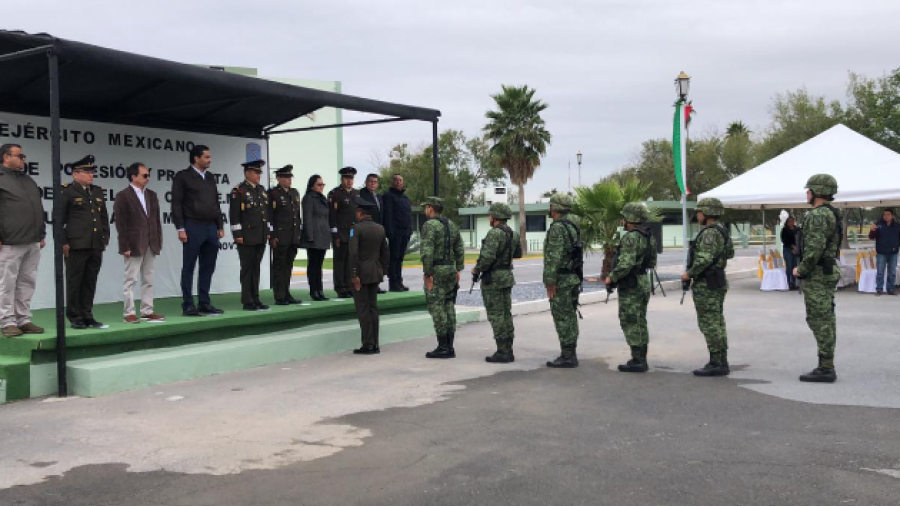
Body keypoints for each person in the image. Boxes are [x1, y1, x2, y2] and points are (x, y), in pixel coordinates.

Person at [793, 174, 842, 383]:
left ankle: (825, 367)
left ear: (817, 192)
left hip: (818, 274)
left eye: (809, 190)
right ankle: (826, 363)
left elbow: (814, 249)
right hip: (827, 271)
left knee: (819, 319)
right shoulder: (832, 213)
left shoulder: (818, 215)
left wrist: (801, 270)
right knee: (826, 318)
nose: (807, 193)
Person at [682, 198, 734, 377]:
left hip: (707, 282)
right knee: (717, 321)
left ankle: (717, 363)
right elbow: (730, 253)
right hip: (717, 279)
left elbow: (703, 259)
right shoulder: (723, 231)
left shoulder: (710, 233)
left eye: (699, 212)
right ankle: (720, 360)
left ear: (706, 213)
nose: (697, 215)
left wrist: (689, 273)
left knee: (710, 323)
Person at [172, 145, 225, 316]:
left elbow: (215, 202)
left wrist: (220, 225)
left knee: (207, 266)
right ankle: (188, 304)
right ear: (196, 158)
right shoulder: (183, 176)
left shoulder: (209, 177)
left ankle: (204, 302)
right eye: (206, 157)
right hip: (192, 225)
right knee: (189, 266)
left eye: (210, 157)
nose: (210, 160)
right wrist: (181, 228)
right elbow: (176, 204)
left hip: (211, 227)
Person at [0, 143, 46, 338]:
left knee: (27, 282)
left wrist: (41, 233)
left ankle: (23, 319)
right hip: (10, 241)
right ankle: (7, 321)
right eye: (20, 156)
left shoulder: (28, 180)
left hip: (32, 240)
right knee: (6, 283)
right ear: (6, 157)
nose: (23, 159)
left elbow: (38, 207)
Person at [605, 202, 657, 372]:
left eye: (625, 217)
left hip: (631, 284)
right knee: (640, 319)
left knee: (630, 320)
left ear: (631, 218)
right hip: (642, 280)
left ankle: (638, 360)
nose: (623, 221)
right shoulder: (649, 236)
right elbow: (652, 261)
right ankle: (641, 357)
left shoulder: (630, 238)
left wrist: (612, 277)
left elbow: (625, 263)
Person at [61, 155, 110, 329]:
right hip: (76, 244)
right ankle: (75, 316)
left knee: (90, 281)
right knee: (75, 281)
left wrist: (105, 237)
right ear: (75, 174)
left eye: (92, 172)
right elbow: (58, 219)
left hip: (95, 243)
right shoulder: (67, 191)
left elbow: (103, 217)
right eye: (87, 172)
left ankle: (87, 314)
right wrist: (63, 242)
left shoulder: (97, 191)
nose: (91, 175)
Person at [114, 162, 165, 324]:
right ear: (133, 176)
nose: (148, 178)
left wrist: (158, 240)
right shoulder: (123, 195)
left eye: (148, 175)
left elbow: (156, 221)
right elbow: (121, 223)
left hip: (151, 242)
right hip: (133, 244)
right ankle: (128, 312)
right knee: (131, 279)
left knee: (148, 279)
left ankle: (147, 310)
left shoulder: (152, 195)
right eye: (144, 175)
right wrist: (124, 246)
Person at [473, 203, 522, 363]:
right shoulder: (513, 234)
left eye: (490, 215)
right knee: (506, 313)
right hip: (506, 276)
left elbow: (487, 257)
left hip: (493, 278)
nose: (489, 218)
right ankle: (508, 349)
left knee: (496, 314)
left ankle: (502, 351)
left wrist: (477, 269)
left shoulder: (494, 233)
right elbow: (518, 254)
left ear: (495, 217)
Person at [421, 197, 464, 359]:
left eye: (426, 207)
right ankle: (450, 346)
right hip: (450, 268)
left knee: (437, 307)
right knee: (448, 306)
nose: (426, 210)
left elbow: (427, 250)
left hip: (437, 270)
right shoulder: (451, 225)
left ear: (431, 208)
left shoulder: (429, 225)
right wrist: (458, 268)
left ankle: (443, 346)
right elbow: (459, 247)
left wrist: (427, 273)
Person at [545, 194, 584, 368]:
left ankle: (568, 356)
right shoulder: (573, 224)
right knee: (569, 316)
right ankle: (570, 352)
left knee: (562, 317)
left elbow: (554, 256)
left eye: (551, 205)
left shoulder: (557, 227)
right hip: (572, 276)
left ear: (556, 208)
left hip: (561, 278)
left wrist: (550, 281)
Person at [348, 197, 389, 355]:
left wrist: (354, 274)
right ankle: (376, 343)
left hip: (361, 274)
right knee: (373, 308)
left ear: (359, 213)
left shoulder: (356, 229)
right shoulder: (380, 228)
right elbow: (385, 252)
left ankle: (368, 344)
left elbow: (353, 253)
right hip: (375, 272)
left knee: (363, 309)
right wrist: (383, 271)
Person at [230, 159, 271, 311]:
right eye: (256, 172)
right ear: (247, 172)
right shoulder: (239, 190)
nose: (258, 175)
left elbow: (265, 214)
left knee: (256, 268)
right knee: (247, 269)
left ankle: (256, 298)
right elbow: (234, 216)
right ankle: (247, 300)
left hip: (260, 236)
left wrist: (267, 232)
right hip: (246, 237)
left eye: (260, 172)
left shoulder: (261, 190)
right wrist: (237, 234)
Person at [269, 165, 304, 305]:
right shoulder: (273, 193)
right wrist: (272, 235)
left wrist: (299, 233)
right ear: (279, 178)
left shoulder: (294, 193)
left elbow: (297, 215)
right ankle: (279, 295)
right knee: (279, 266)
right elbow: (270, 216)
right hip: (280, 236)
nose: (289, 180)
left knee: (288, 266)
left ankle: (287, 292)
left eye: (290, 177)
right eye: (286, 177)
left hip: (293, 236)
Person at [328, 166, 360, 299]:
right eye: (347, 178)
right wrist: (335, 234)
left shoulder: (357, 194)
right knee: (340, 261)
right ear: (342, 179)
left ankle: (348, 286)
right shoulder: (335, 194)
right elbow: (332, 215)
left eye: (351, 178)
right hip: (341, 233)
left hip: (354, 233)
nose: (349, 181)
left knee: (350, 262)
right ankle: (340, 287)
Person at [301, 174, 331, 301]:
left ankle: (320, 290)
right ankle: (314, 290)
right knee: (313, 264)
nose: (321, 187)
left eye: (322, 184)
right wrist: (309, 236)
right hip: (313, 236)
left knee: (319, 264)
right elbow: (307, 218)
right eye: (319, 184)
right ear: (312, 185)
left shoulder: (322, 198)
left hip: (323, 235)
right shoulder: (309, 198)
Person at [382, 174, 412, 292]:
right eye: (396, 180)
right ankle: (393, 283)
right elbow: (388, 215)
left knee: (400, 258)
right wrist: (390, 232)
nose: (398, 182)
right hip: (395, 232)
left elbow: (409, 215)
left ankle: (399, 282)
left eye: (400, 180)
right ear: (392, 182)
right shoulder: (388, 196)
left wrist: (410, 230)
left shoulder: (405, 198)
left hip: (405, 232)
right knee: (393, 258)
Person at [868, 208, 899, 296]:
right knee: (880, 272)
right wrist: (872, 230)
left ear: (892, 216)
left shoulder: (897, 225)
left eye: (888, 214)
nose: (886, 216)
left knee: (892, 272)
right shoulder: (878, 225)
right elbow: (871, 237)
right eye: (884, 214)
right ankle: (879, 289)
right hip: (881, 252)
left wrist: (896, 246)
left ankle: (891, 289)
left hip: (893, 252)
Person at [781, 216, 799, 290]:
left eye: (792, 221)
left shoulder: (797, 229)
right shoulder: (784, 230)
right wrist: (792, 246)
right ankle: (788, 283)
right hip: (788, 249)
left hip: (796, 250)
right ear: (787, 222)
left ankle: (794, 283)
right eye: (789, 221)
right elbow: (784, 240)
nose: (791, 222)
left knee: (795, 267)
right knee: (789, 266)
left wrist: (797, 247)